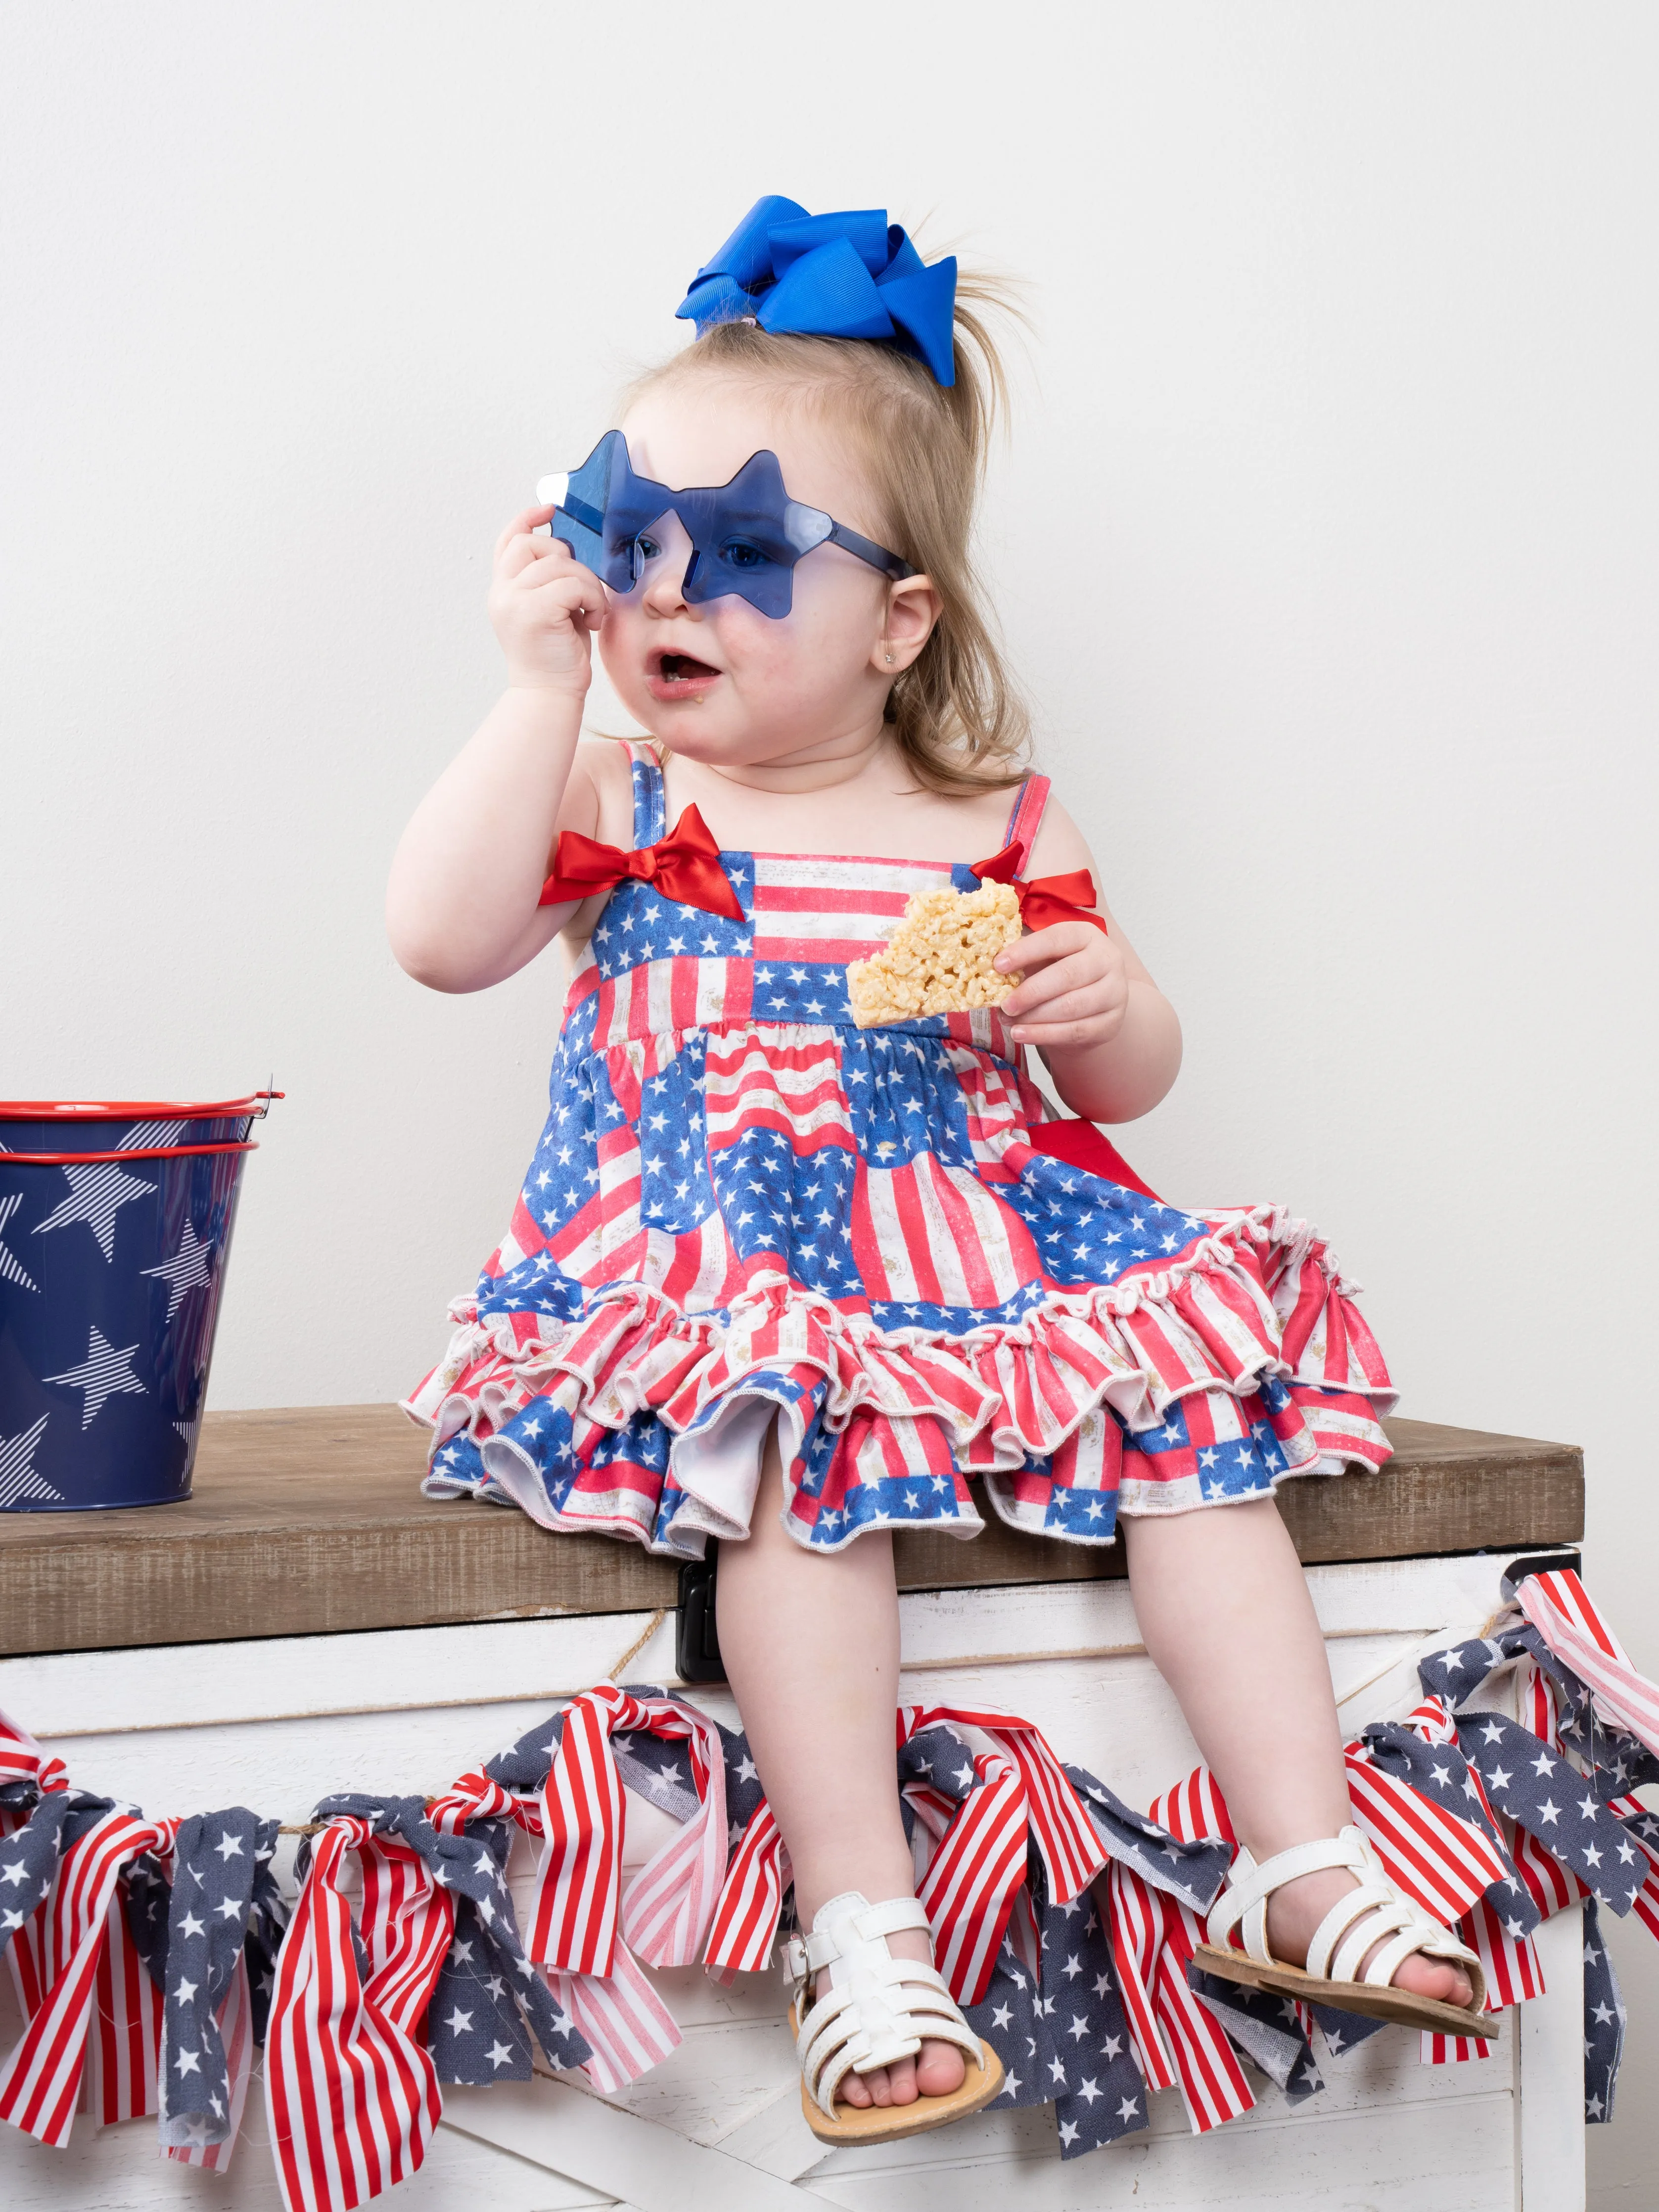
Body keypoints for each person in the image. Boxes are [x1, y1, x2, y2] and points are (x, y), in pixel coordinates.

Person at [388, 197, 1487, 2143]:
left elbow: (1126, 1082)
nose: (670, 594)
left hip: (971, 1237)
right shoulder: (619, 789)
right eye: (626, 539)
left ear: (899, 616)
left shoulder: (987, 820)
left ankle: (1293, 1855)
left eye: (741, 557)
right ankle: (858, 1921)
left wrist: (1103, 991)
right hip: (723, 1246)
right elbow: (439, 934)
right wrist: (529, 681)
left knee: (1192, 1424)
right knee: (805, 1458)